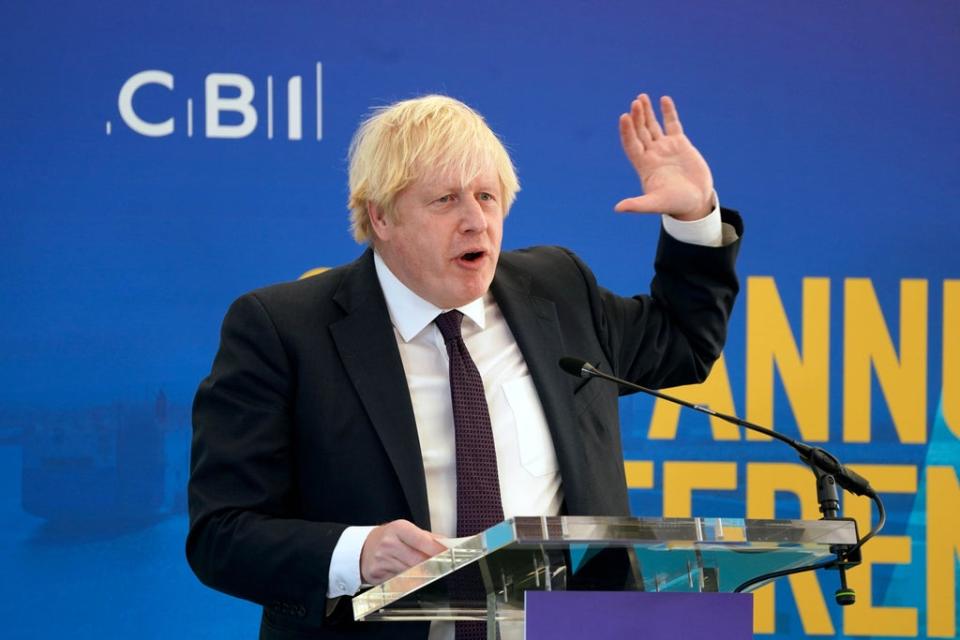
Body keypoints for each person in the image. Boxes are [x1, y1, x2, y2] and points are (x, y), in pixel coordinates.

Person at [187, 92, 742, 640]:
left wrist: (693, 215)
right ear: (380, 216)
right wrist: (356, 553)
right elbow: (222, 534)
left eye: (487, 196)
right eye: (446, 200)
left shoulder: (558, 290)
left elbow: (683, 342)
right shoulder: (283, 329)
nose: (477, 221)